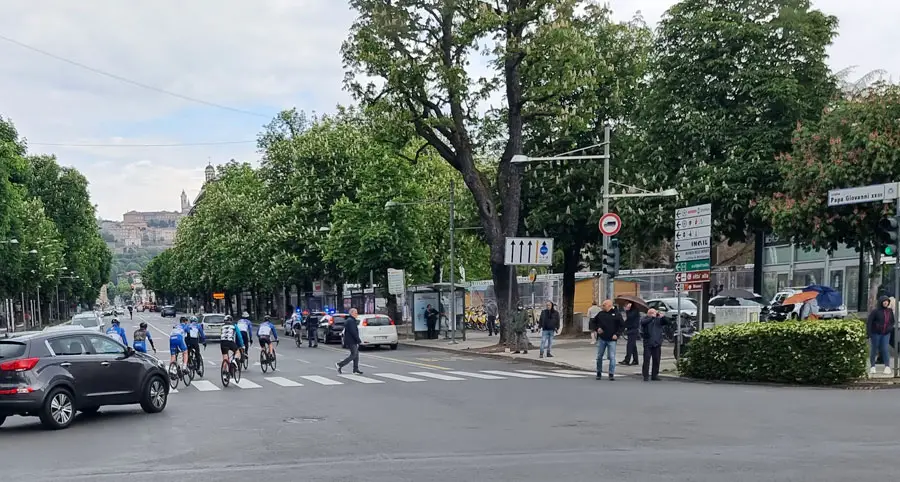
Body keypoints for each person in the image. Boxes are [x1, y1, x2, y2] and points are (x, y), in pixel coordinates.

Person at [590, 300, 624, 380]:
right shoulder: (601, 314)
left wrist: (617, 334)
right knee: (599, 356)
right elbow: (593, 322)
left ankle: (611, 373)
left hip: (612, 339)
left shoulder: (616, 314)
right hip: (602, 338)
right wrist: (597, 328)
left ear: (609, 305)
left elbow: (622, 326)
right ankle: (599, 372)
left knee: (612, 357)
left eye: (604, 305)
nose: (602, 306)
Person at [867, 295, 895, 375]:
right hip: (875, 333)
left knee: (885, 349)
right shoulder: (875, 311)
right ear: (881, 302)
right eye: (884, 301)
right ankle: (872, 366)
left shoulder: (889, 311)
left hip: (886, 333)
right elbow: (869, 322)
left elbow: (892, 321)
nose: (886, 303)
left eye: (887, 301)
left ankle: (887, 366)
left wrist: (889, 328)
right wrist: (869, 333)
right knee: (874, 349)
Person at [640, 308, 669, 381]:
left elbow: (667, 322)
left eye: (654, 313)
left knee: (656, 359)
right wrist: (651, 318)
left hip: (657, 342)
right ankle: (645, 375)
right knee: (646, 359)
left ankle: (655, 375)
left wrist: (663, 317)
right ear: (648, 313)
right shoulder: (645, 319)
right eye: (651, 313)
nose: (653, 314)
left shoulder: (658, 320)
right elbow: (643, 323)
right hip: (648, 342)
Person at [335, 308, 363, 375]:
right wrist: (358, 340)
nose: (357, 314)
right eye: (356, 313)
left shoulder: (351, 320)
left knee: (356, 355)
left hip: (351, 340)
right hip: (351, 340)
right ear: (352, 313)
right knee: (354, 354)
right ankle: (340, 364)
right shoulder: (350, 321)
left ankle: (355, 369)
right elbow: (353, 332)